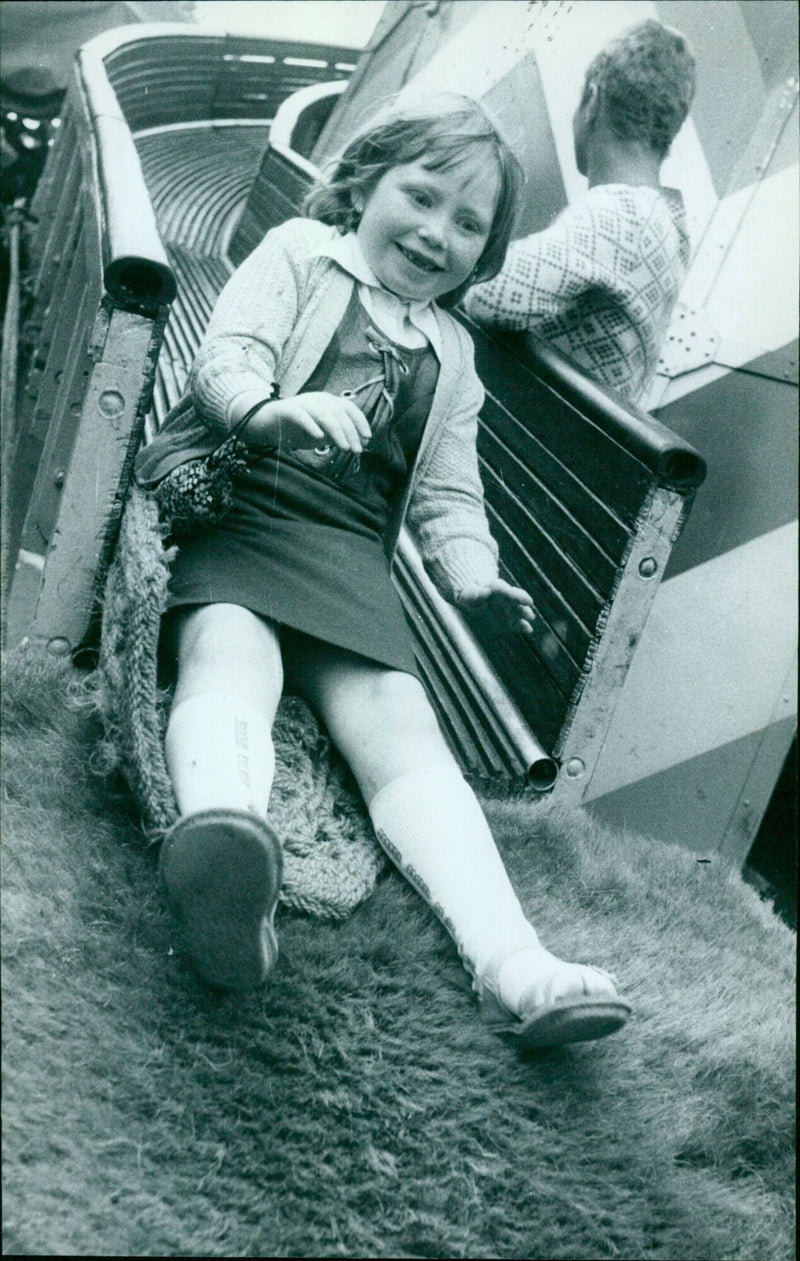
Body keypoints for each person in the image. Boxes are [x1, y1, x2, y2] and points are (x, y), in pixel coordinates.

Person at [133, 94, 630, 1047]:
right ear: (365, 183)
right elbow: (227, 354)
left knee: (400, 727)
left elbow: (449, 491)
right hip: (242, 502)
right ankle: (226, 843)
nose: (438, 232)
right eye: (423, 195)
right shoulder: (298, 256)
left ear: (484, 255)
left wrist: (472, 571)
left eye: (469, 224)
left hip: (347, 556)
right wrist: (270, 409)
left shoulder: (453, 351)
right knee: (232, 652)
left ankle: (515, 964)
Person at [464, 20, 696, 406]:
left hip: (548, 436)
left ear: (592, 99)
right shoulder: (667, 220)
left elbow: (488, 296)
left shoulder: (622, 215)